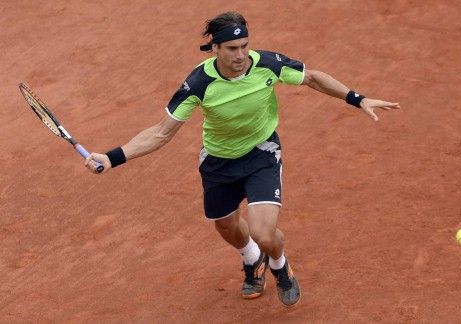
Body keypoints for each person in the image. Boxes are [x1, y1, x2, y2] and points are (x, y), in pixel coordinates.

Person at [85, 11, 400, 307]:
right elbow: (161, 133)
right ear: (215, 48)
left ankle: (280, 266)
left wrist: (358, 99)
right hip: (218, 162)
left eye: (244, 46)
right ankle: (252, 259)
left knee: (265, 233)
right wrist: (113, 158)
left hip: (262, 153)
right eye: (232, 48)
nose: (240, 55)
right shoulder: (198, 84)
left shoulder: (268, 65)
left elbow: (313, 78)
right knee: (226, 226)